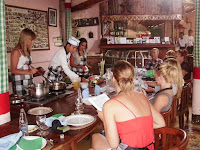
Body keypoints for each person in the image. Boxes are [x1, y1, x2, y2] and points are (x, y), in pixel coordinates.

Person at [90, 60, 165, 150]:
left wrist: (105, 120)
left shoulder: (109, 105)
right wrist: (138, 127)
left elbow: (113, 144)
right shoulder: (142, 97)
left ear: (113, 79)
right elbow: (161, 123)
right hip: (148, 148)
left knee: (95, 136)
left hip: (130, 148)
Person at [11, 28, 38, 96]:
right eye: (31, 40)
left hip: (29, 81)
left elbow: (26, 65)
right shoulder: (16, 51)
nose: (32, 42)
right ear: (25, 39)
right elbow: (13, 70)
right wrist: (29, 72)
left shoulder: (27, 50)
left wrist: (32, 69)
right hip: (19, 82)